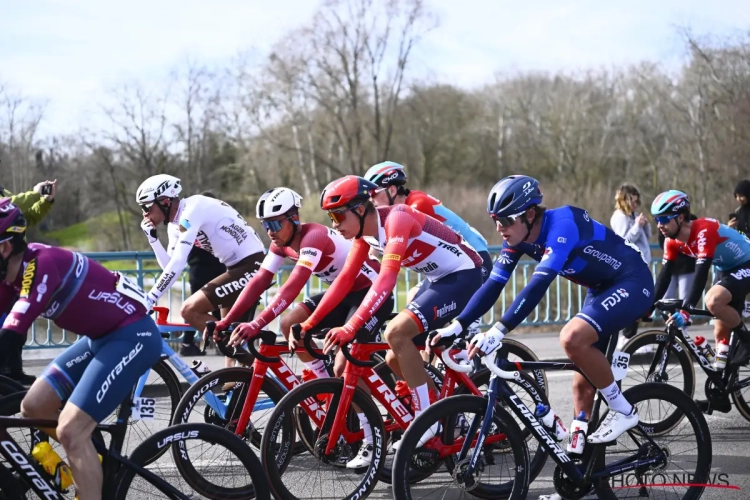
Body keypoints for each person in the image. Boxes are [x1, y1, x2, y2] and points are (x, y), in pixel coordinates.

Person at [432, 175, 654, 444]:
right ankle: (581, 452)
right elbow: (494, 284)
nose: (499, 228)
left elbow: (538, 284)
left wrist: (499, 330)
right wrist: (458, 325)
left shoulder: (563, 225)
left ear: (528, 214)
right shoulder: (517, 238)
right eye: (495, 221)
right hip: (600, 287)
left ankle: (623, 410)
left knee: (572, 338)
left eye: (504, 221)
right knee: (581, 380)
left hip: (632, 280)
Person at [298, 175, 485, 453]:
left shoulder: (397, 219)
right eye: (330, 218)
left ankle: (427, 419)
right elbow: (345, 280)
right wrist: (309, 324)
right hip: (437, 279)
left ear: (360, 210)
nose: (335, 225)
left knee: (396, 332)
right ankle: (441, 406)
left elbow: (386, 279)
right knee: (393, 356)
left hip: (464, 275)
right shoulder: (366, 235)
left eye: (338, 216)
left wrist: (351, 327)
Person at [219, 187, 393, 467]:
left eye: (276, 223)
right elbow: (259, 281)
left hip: (370, 293)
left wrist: (257, 322)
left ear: (294, 218)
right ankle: (327, 387)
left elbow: (292, 286)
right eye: (266, 225)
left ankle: (371, 437)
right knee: (289, 323)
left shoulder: (313, 236)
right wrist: (228, 319)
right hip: (341, 294)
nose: (271, 231)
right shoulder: (280, 243)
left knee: (342, 364)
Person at [0, 198, 161, 500]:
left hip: (133, 337)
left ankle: (82, 458)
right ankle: (88, 464)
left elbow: (14, 330)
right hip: (98, 338)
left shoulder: (40, 263)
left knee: (71, 432)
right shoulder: (9, 280)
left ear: (5, 247)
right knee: (33, 407)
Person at [136, 174, 265, 366]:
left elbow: (178, 263)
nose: (144, 213)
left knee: (190, 311)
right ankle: (251, 377)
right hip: (235, 267)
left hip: (252, 264)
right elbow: (170, 266)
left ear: (164, 201)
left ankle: (262, 369)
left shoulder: (192, 210)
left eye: (146, 206)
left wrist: (149, 298)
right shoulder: (175, 224)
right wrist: (153, 240)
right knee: (231, 354)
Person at [649, 189, 750, 412]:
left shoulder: (703, 230)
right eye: (657, 220)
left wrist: (686, 310)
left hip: (747, 262)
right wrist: (646, 307)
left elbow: (701, 273)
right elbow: (664, 276)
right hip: (728, 269)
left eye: (664, 219)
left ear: (681, 217)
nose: (659, 225)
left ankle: (747, 339)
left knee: (713, 301)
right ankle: (722, 394)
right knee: (720, 333)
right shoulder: (671, 241)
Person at [0, 163, 57, 385]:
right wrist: (34, 193)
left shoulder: (3, 191)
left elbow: (24, 219)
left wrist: (45, 202)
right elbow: (10, 207)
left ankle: (12, 372)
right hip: (4, 266)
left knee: (15, 324)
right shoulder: (7, 198)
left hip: (14, 267)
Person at [181, 191, 226, 356]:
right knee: (212, 307)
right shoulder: (213, 224)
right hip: (210, 271)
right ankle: (221, 342)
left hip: (197, 270)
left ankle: (189, 342)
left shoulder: (191, 222)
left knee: (198, 307)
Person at [609, 183, 651, 346]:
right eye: (633, 201)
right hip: (631, 265)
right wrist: (636, 226)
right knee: (634, 300)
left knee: (640, 301)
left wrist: (644, 225)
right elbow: (624, 240)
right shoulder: (619, 217)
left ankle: (631, 337)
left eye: (637, 202)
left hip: (641, 262)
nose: (636, 205)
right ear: (625, 200)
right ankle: (626, 337)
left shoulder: (631, 216)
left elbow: (645, 236)